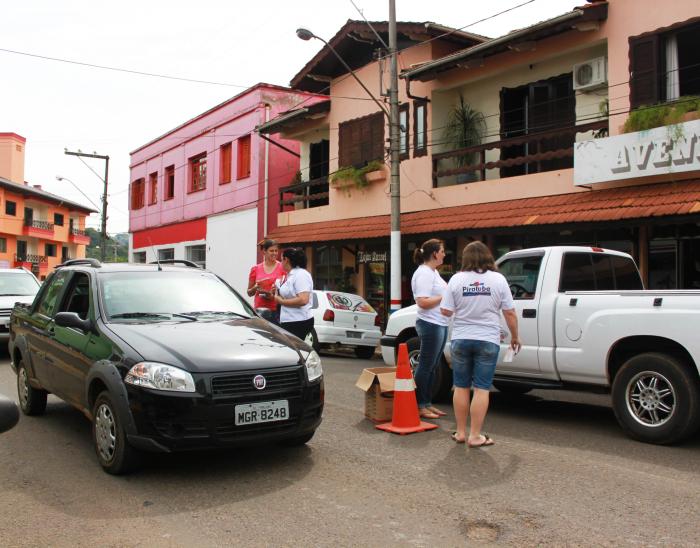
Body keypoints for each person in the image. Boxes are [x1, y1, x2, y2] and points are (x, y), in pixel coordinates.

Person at [440, 241, 520, 447]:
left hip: (461, 338)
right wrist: (515, 336)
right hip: (487, 339)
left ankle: (460, 432)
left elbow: (446, 311)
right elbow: (509, 312)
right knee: (482, 388)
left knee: (461, 386)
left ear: (464, 258)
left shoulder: (456, 280)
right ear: (488, 257)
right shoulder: (499, 280)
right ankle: (475, 435)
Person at [411, 238, 449, 420]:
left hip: (440, 323)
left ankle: (427, 403)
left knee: (433, 366)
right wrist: (445, 297)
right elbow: (422, 302)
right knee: (426, 366)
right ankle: (419, 405)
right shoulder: (424, 273)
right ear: (434, 253)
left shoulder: (433, 272)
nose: (444, 254)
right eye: (442, 251)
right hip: (430, 324)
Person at [274, 247, 314, 341]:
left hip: (298, 321)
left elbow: (303, 299)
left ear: (286, 260)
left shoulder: (301, 274)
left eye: (281, 260)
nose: (280, 263)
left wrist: (282, 301)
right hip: (289, 320)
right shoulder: (290, 275)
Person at [247, 238, 285, 324]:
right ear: (264, 251)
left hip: (276, 310)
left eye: (276, 251)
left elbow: (287, 291)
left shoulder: (282, 268)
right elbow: (249, 293)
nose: (274, 253)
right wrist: (256, 288)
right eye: (271, 251)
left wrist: (276, 291)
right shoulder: (255, 269)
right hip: (259, 310)